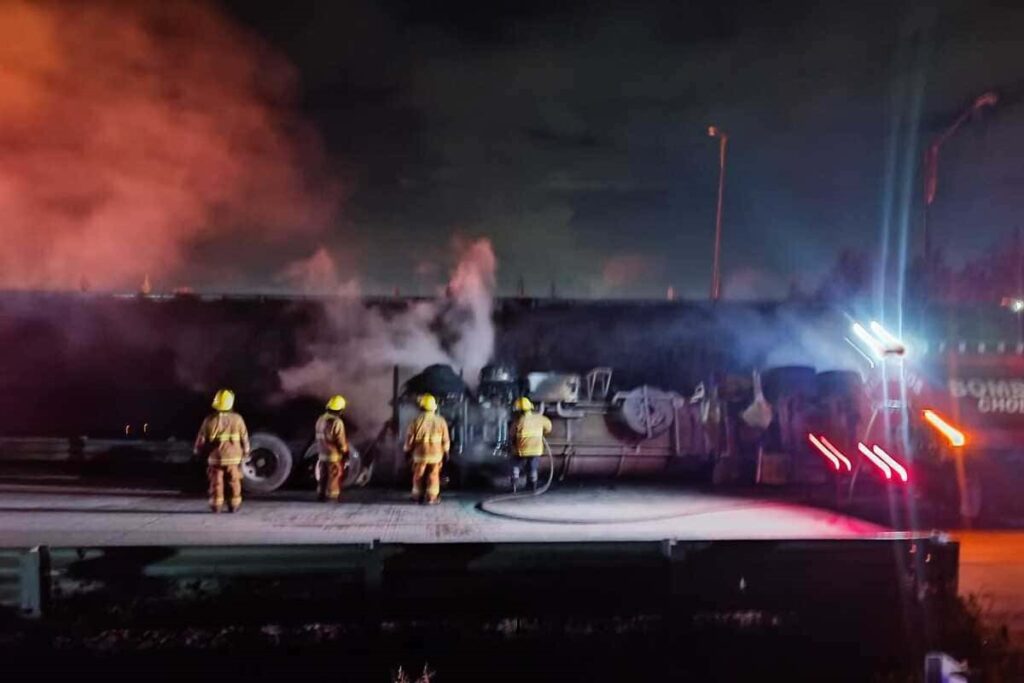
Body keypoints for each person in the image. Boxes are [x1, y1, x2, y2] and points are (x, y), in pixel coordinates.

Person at [194, 389, 250, 513]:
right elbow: (244, 437)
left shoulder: (209, 420)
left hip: (216, 458)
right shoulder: (238, 419)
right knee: (234, 481)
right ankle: (234, 504)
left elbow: (201, 439)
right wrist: (246, 452)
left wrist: (197, 451)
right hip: (233, 458)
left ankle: (216, 505)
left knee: (216, 482)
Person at [404, 394, 450, 504]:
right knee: (433, 475)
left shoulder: (415, 421)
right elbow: (446, 440)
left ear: (421, 407)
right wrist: (446, 451)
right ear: (434, 407)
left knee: (418, 475)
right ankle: (432, 498)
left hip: (420, 455)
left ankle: (417, 497)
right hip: (436, 455)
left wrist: (407, 450)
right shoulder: (441, 421)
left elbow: (409, 439)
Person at [511, 397, 552, 492]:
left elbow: (512, 434)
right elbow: (549, 427)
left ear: (519, 411)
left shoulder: (518, 421)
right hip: (536, 449)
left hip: (521, 449)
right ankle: (533, 485)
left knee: (516, 463)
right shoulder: (540, 418)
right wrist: (542, 433)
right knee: (533, 466)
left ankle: (514, 483)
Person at [315, 394, 350, 502]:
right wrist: (345, 452)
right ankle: (331, 497)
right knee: (333, 477)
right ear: (340, 409)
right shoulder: (337, 422)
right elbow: (340, 440)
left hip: (322, 454)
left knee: (323, 476)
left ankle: (321, 495)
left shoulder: (321, 419)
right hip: (333, 455)